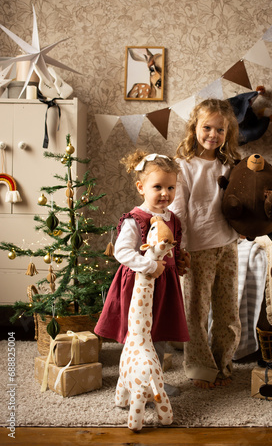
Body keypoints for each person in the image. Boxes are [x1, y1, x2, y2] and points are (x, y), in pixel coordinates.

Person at [94, 150, 189, 396]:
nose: (165, 193)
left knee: (158, 334)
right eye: (157, 187)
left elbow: (172, 248)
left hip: (165, 286)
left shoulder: (173, 219)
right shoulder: (135, 219)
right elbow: (122, 252)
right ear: (141, 187)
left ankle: (153, 381)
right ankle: (138, 381)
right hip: (139, 286)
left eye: (171, 187)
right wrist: (149, 266)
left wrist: (180, 259)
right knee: (140, 335)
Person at [169, 98, 242, 389]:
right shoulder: (184, 165)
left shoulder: (231, 165)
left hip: (228, 244)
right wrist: (180, 247)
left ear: (228, 132)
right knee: (196, 310)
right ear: (195, 128)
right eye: (207, 127)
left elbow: (240, 203)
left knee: (227, 310)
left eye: (220, 130)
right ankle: (200, 367)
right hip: (197, 247)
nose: (213, 134)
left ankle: (223, 362)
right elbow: (178, 209)